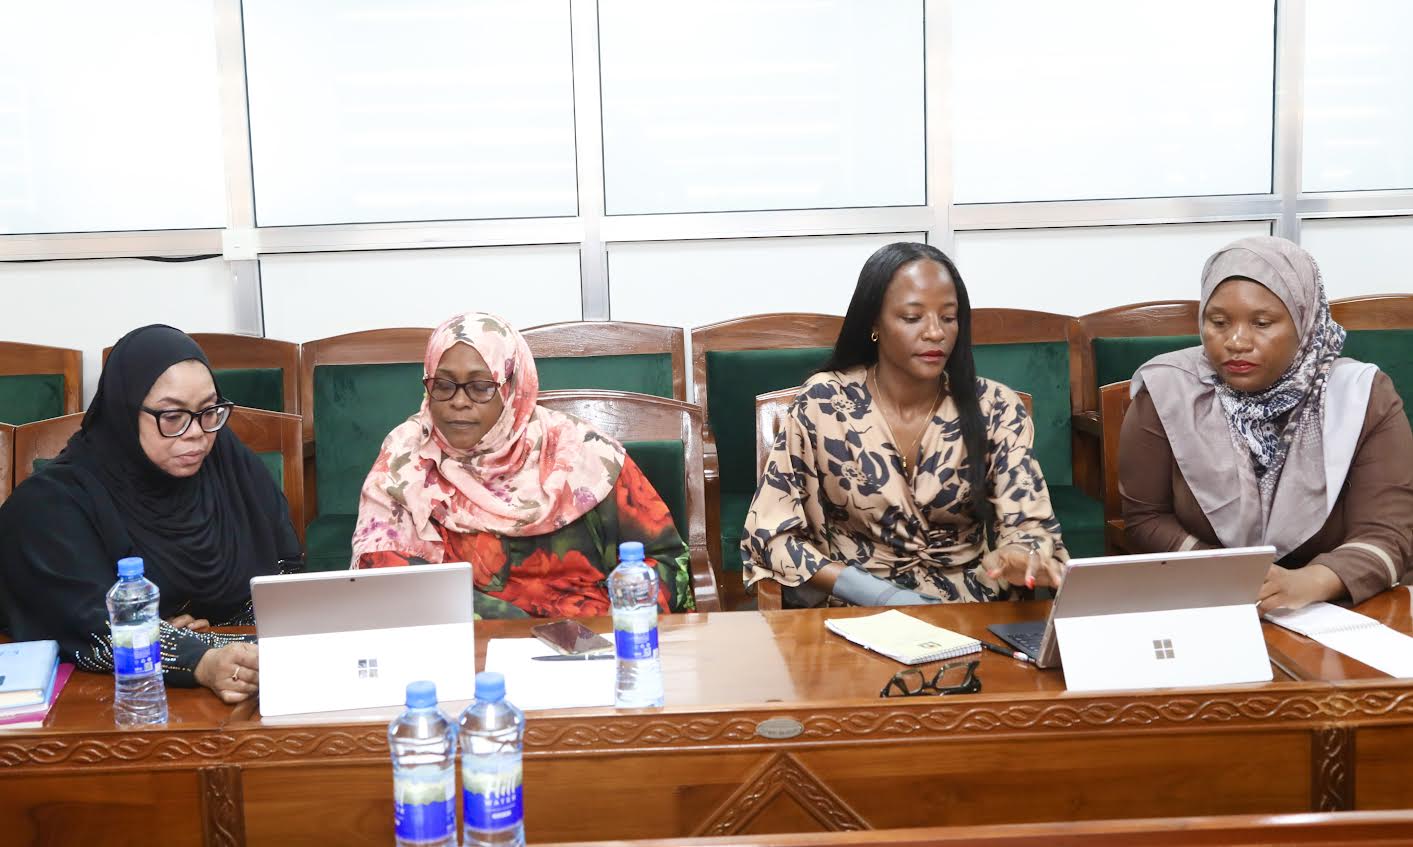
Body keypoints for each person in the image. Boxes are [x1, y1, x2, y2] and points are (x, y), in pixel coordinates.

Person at [742, 242, 1068, 607]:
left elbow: (1031, 523)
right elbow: (771, 537)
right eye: (913, 318)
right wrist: (878, 594)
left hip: (968, 609)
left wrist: (1021, 554)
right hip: (857, 609)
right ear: (874, 323)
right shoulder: (825, 403)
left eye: (948, 318)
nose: (935, 333)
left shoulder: (994, 407)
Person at [0, 326, 301, 703]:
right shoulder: (50, 505)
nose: (197, 433)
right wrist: (193, 654)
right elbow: (89, 626)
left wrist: (204, 636)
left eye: (209, 411)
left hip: (246, 681)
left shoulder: (228, 464)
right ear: (124, 413)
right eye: (173, 416)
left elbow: (285, 577)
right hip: (116, 702)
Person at [1120, 236, 1413, 611]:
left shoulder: (1360, 396)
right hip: (1205, 597)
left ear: (1305, 322)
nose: (1236, 341)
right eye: (1218, 322)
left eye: (1262, 323)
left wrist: (1311, 582)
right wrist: (1224, 574)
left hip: (1336, 606)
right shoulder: (1168, 390)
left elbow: (1387, 534)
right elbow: (1146, 519)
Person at [352, 311, 695, 618]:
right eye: (443, 385)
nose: (459, 401)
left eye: (480, 387)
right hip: (466, 646)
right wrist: (512, 629)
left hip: (590, 641)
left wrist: (611, 627)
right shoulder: (405, 459)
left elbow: (666, 561)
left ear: (514, 388)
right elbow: (387, 580)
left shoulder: (581, 453)